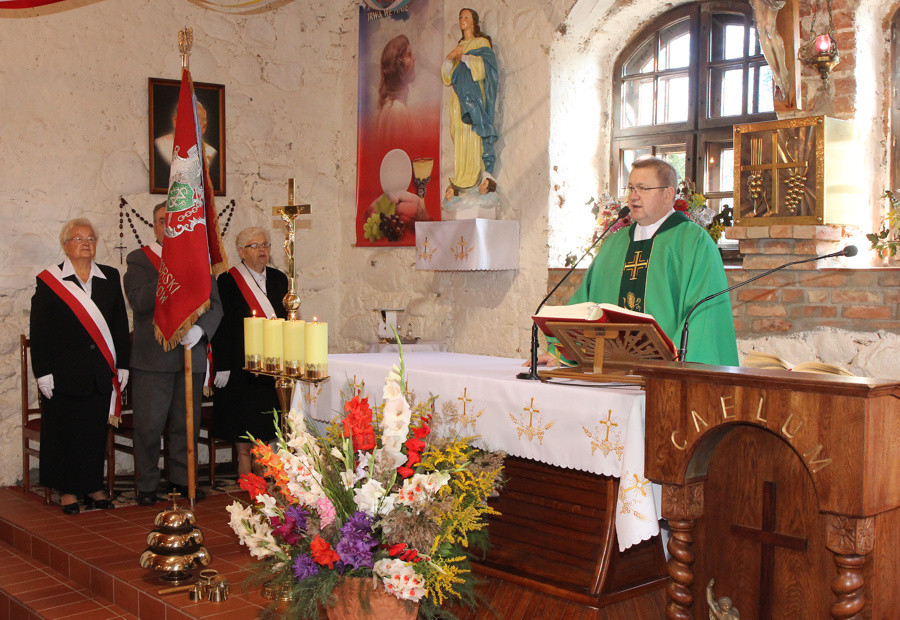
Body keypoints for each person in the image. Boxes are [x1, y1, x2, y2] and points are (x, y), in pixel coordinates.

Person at [538, 157, 738, 366]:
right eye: (631, 188)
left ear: (668, 194)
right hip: (609, 371)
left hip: (666, 375)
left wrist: (675, 364)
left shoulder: (693, 242)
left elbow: (703, 318)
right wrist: (560, 353)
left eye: (643, 189)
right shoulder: (614, 244)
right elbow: (584, 307)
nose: (633, 197)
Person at [124, 201, 223, 505]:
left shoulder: (199, 259)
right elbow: (140, 301)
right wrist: (170, 268)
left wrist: (201, 330)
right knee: (149, 427)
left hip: (189, 353)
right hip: (153, 359)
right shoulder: (139, 259)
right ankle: (147, 484)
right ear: (154, 225)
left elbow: (215, 305)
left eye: (173, 219)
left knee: (186, 425)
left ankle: (182, 480)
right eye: (161, 220)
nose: (168, 225)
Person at [30, 218, 130, 514]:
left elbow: (119, 324)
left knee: (93, 433)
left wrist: (122, 363)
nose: (86, 242)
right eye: (78, 238)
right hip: (63, 373)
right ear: (65, 246)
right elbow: (40, 330)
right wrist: (43, 372)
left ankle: (94, 486)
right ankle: (68, 490)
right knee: (64, 432)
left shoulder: (109, 276)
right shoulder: (50, 281)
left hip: (100, 371)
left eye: (90, 238)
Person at [211, 227, 288, 476]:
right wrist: (221, 364)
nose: (262, 250)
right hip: (240, 366)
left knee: (267, 433)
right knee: (244, 436)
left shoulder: (279, 279)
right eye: (255, 246)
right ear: (241, 251)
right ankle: (247, 488)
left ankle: (270, 485)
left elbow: (285, 320)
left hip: (271, 366)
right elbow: (222, 326)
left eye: (265, 245)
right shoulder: (228, 281)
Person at [441, 8, 499, 189]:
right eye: (460, 17)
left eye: (466, 17)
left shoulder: (481, 43)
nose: (462, 20)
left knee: (472, 134)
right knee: (458, 132)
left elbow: (485, 70)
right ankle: (461, 177)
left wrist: (465, 58)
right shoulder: (458, 46)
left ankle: (474, 177)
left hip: (473, 97)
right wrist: (448, 59)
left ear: (474, 21)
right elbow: (447, 78)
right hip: (458, 99)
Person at [376, 34, 416, 147]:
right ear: (398, 65)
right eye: (408, 55)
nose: (413, 59)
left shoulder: (389, 105)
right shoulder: (398, 109)